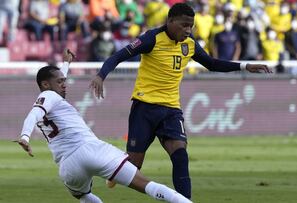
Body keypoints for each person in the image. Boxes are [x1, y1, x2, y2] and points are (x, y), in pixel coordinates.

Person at [89, 3, 272, 200]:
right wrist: (101, 76)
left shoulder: (189, 43)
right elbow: (118, 55)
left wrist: (245, 65)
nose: (187, 30)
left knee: (180, 155)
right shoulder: (152, 38)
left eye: (190, 26)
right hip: (145, 108)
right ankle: (117, 169)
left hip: (171, 109)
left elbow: (211, 63)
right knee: (133, 166)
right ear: (170, 21)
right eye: (184, 25)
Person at [14, 48, 192, 203]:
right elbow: (34, 113)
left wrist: (66, 64)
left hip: (68, 167)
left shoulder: (50, 96)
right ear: (45, 84)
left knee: (84, 196)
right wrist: (24, 136)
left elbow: (46, 96)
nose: (64, 85)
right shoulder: (49, 96)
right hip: (91, 150)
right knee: (147, 185)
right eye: (60, 82)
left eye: (64, 80)